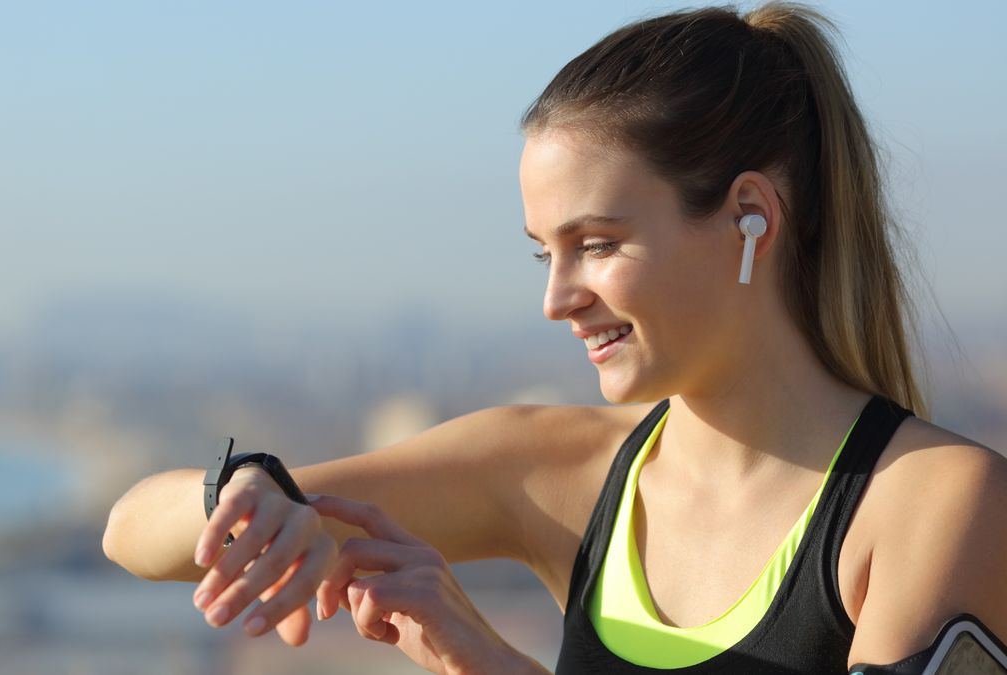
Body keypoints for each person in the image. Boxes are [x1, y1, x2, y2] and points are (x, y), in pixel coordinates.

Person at [101, 3, 1007, 673]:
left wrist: (480, 658)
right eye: (544, 251)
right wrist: (252, 491)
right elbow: (132, 531)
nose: (556, 297)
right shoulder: (557, 469)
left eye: (597, 244)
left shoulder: (937, 504)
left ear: (750, 218)